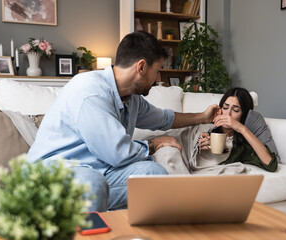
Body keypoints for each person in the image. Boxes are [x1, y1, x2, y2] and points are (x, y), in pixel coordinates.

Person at [27, 31, 219, 212]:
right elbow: (117, 153)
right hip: (53, 173)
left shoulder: (131, 98)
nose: (159, 78)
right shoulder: (90, 91)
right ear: (142, 67)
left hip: (99, 171)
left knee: (152, 174)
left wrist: (203, 116)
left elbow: (164, 118)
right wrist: (155, 143)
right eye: (158, 70)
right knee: (92, 183)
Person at [197, 87, 279, 172]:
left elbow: (271, 164)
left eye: (235, 110)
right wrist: (195, 146)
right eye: (225, 108)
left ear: (243, 115)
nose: (228, 114)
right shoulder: (206, 127)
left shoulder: (241, 146)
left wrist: (242, 129)